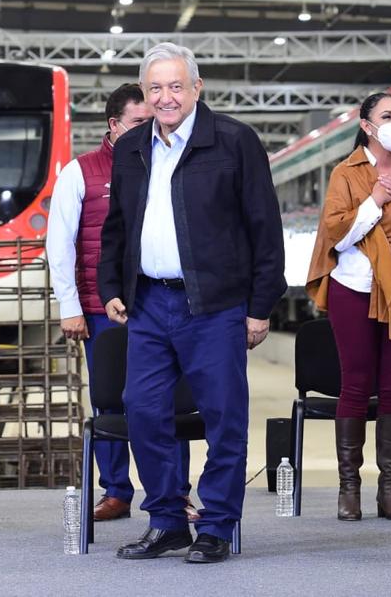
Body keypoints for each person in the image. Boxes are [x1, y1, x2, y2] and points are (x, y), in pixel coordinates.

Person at [97, 42, 286, 564]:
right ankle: (167, 521)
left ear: (197, 88)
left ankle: (217, 525)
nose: (165, 97)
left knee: (224, 416)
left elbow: (264, 229)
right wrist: (111, 286)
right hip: (150, 305)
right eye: (154, 88)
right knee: (143, 409)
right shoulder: (132, 147)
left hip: (216, 304)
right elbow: (117, 226)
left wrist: (261, 304)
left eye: (175, 86)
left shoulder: (233, 142)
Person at [46, 84, 196, 523]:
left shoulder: (169, 162)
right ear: (114, 125)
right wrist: (69, 306)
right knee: (111, 401)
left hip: (163, 304)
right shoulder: (80, 172)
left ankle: (176, 492)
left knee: (169, 401)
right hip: (101, 308)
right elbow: (61, 245)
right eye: (138, 122)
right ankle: (116, 491)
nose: (150, 129)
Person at [306, 92, 391, 522]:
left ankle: (390, 491)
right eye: (387, 116)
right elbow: (336, 235)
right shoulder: (345, 173)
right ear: (367, 125)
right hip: (353, 287)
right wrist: (376, 202)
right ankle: (350, 490)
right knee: (356, 384)